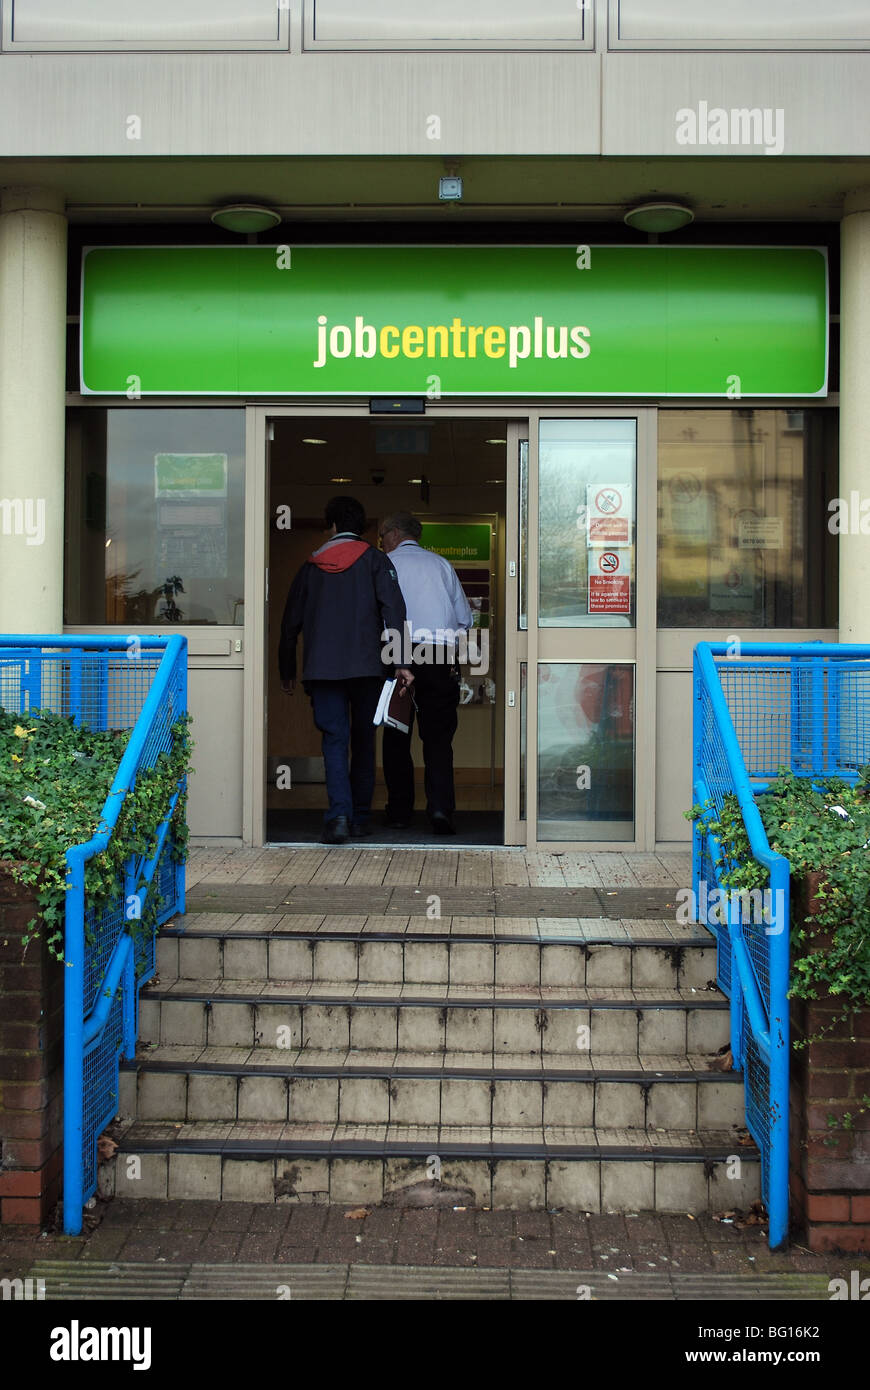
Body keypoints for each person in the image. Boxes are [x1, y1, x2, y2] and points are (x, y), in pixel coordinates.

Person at [279, 495, 412, 844]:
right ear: (362, 527)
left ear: (333, 526)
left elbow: (289, 622)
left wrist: (286, 668)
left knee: (334, 741)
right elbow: (394, 612)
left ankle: (339, 817)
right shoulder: (376, 561)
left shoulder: (310, 566)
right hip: (368, 668)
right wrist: (401, 662)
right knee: (364, 740)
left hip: (323, 671)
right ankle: (361, 818)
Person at [378, 511, 473, 834]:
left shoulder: (384, 563)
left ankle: (400, 811)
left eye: (381, 534)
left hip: (395, 651)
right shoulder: (440, 565)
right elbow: (464, 618)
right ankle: (441, 810)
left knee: (396, 734)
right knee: (438, 738)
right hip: (438, 654)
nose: (380, 540)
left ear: (393, 532)